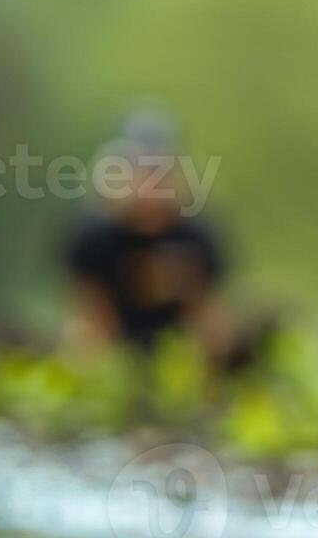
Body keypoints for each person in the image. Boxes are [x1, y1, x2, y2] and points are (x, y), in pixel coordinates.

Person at [61, 107, 252, 370]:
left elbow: (210, 318)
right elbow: (90, 314)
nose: (152, 182)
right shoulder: (95, 237)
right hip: (116, 354)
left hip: (181, 359)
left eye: (161, 170)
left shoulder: (197, 236)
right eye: (142, 169)